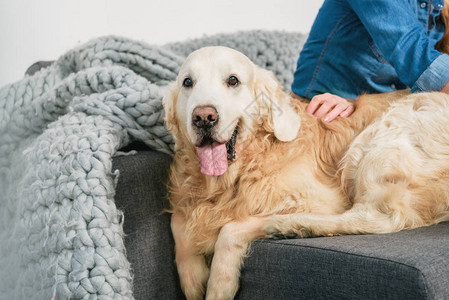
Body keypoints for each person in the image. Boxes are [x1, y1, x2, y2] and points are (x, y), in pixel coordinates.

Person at [292, 0, 449, 122]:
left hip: (382, 111)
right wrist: (363, 106)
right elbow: (410, 48)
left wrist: (366, 105)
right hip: (325, 113)